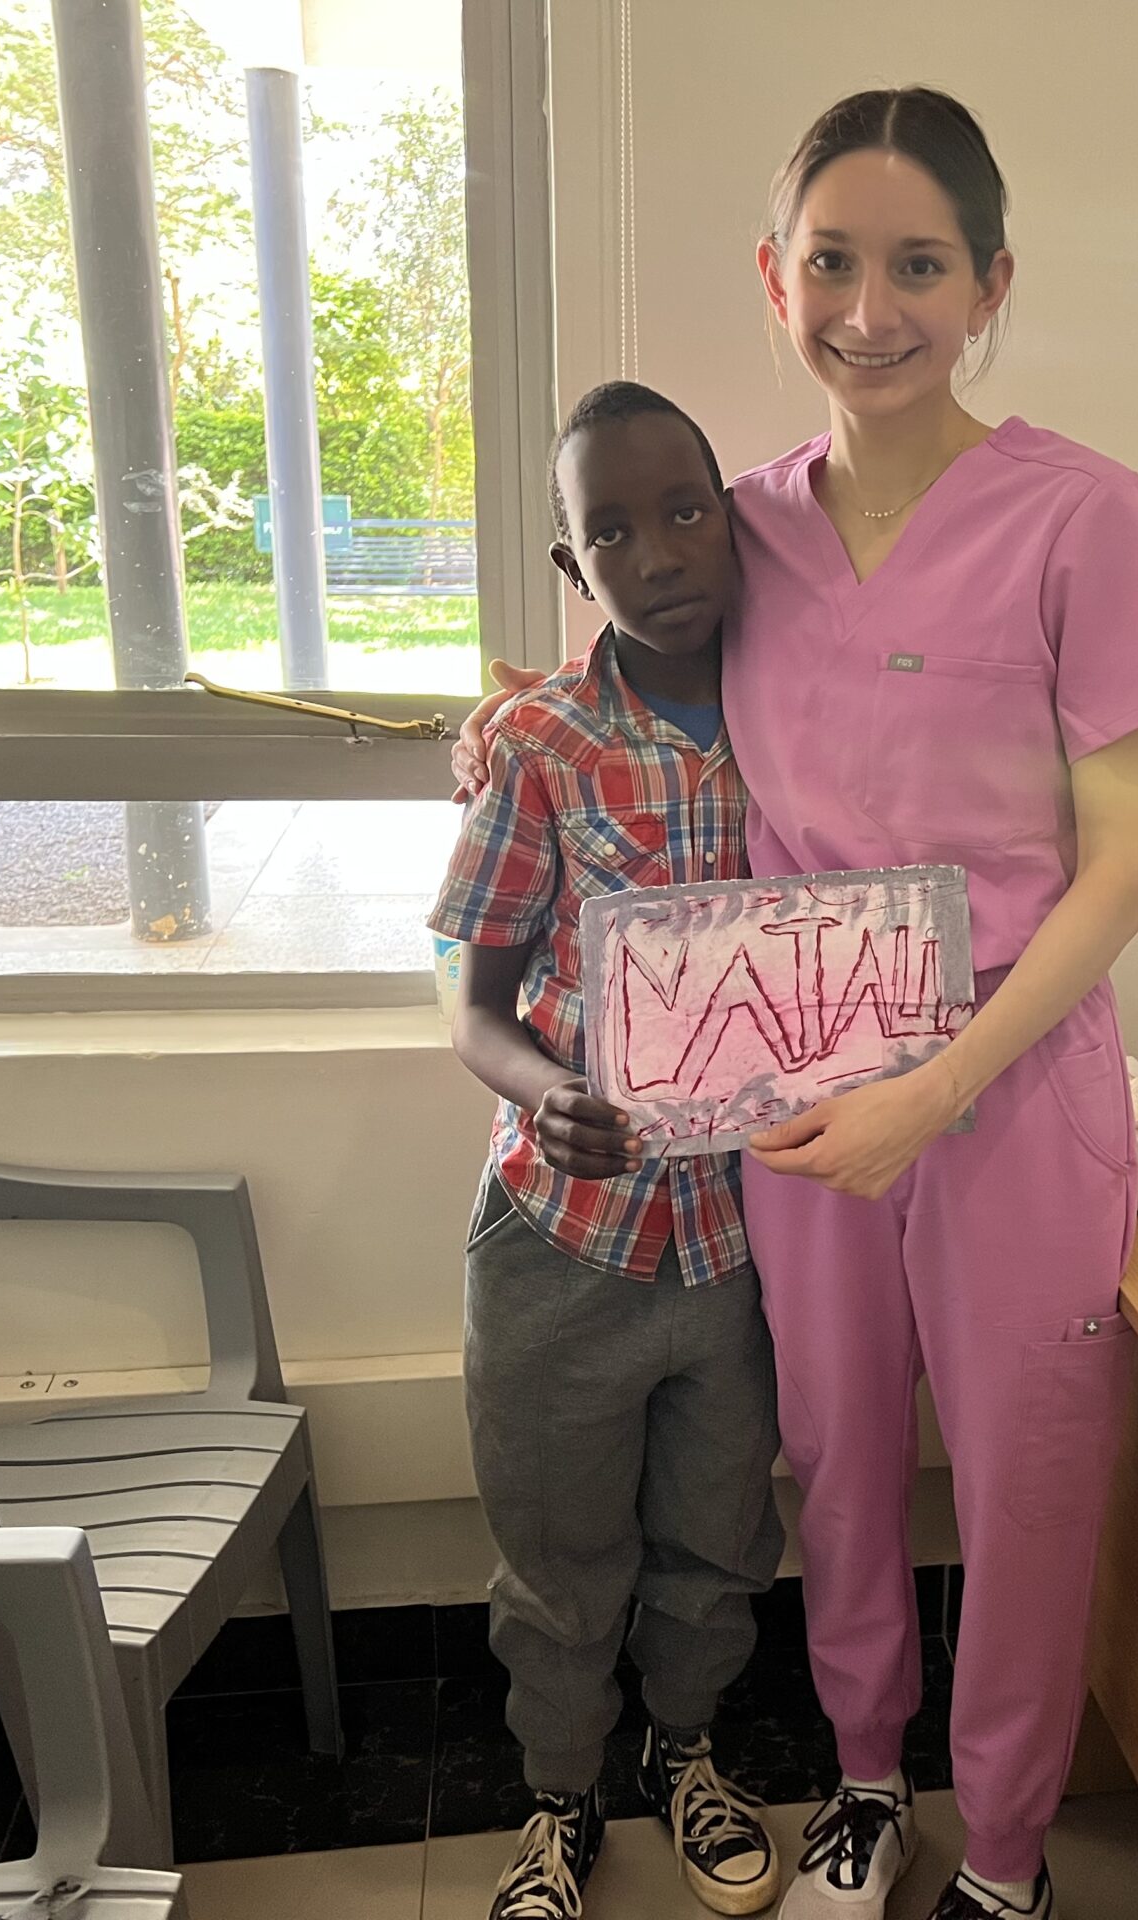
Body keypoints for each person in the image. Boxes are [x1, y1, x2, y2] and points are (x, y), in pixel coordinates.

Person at [460, 89, 1138, 1920]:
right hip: (796, 1080)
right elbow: (617, 668)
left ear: (990, 286)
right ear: (774, 275)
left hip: (1009, 1081)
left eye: (919, 267)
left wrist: (937, 1095)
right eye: (831, 263)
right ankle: (868, 1782)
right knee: (833, 1458)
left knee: (1028, 1483)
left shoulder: (1082, 515)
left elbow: (1123, 870)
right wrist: (490, 718)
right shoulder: (742, 528)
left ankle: (1012, 1851)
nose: (870, 311)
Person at [429, 381, 786, 1920]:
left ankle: (688, 1755)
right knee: (558, 1561)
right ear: (573, 567)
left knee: (720, 1542)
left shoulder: (808, 715)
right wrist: (539, 1088)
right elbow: (471, 1001)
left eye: (686, 511)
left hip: (747, 1243)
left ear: (736, 519)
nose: (659, 553)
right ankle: (560, 1798)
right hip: (562, 1241)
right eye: (614, 533)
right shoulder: (542, 742)